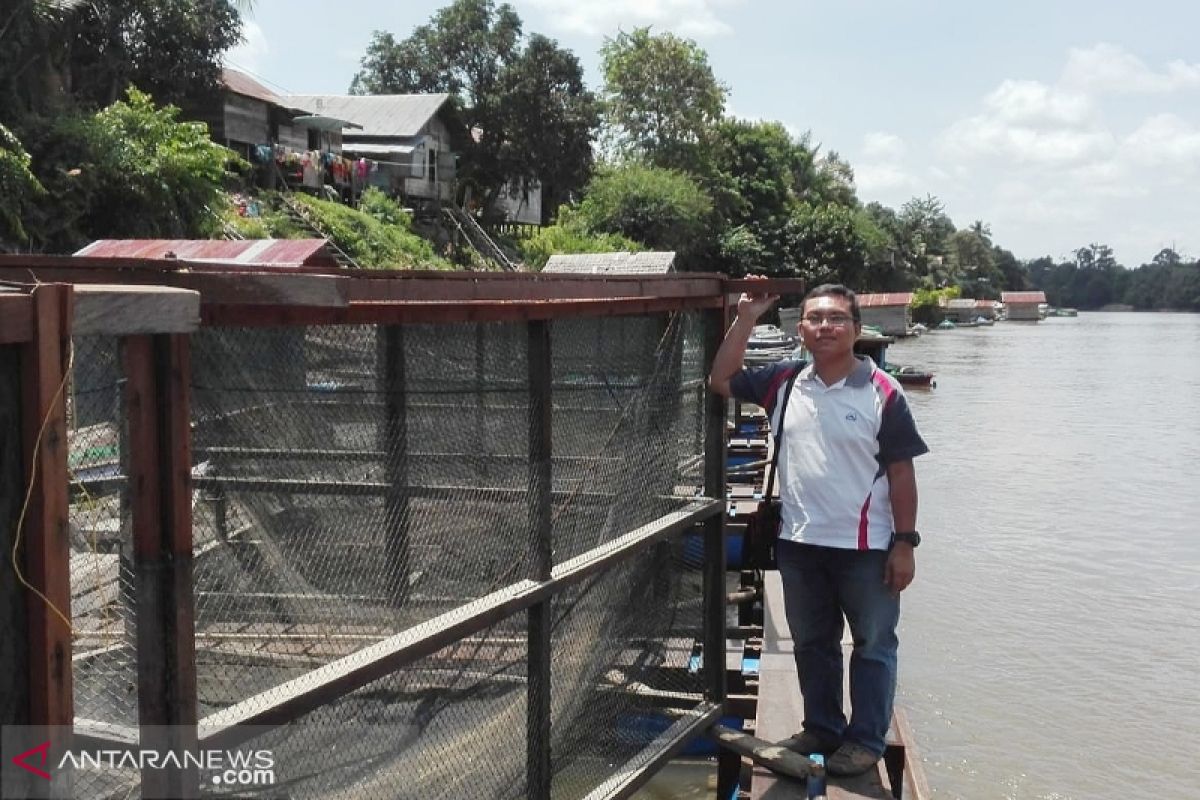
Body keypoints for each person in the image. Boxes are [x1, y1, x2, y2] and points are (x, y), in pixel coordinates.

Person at [709, 278, 929, 777]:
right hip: (800, 543)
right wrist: (745, 317)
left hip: (866, 547)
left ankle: (866, 740)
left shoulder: (883, 391)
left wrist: (905, 544)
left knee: (873, 644)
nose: (825, 326)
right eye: (815, 318)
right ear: (800, 329)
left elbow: (901, 473)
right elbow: (721, 379)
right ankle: (822, 727)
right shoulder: (784, 382)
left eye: (836, 318)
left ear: (855, 329)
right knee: (812, 643)